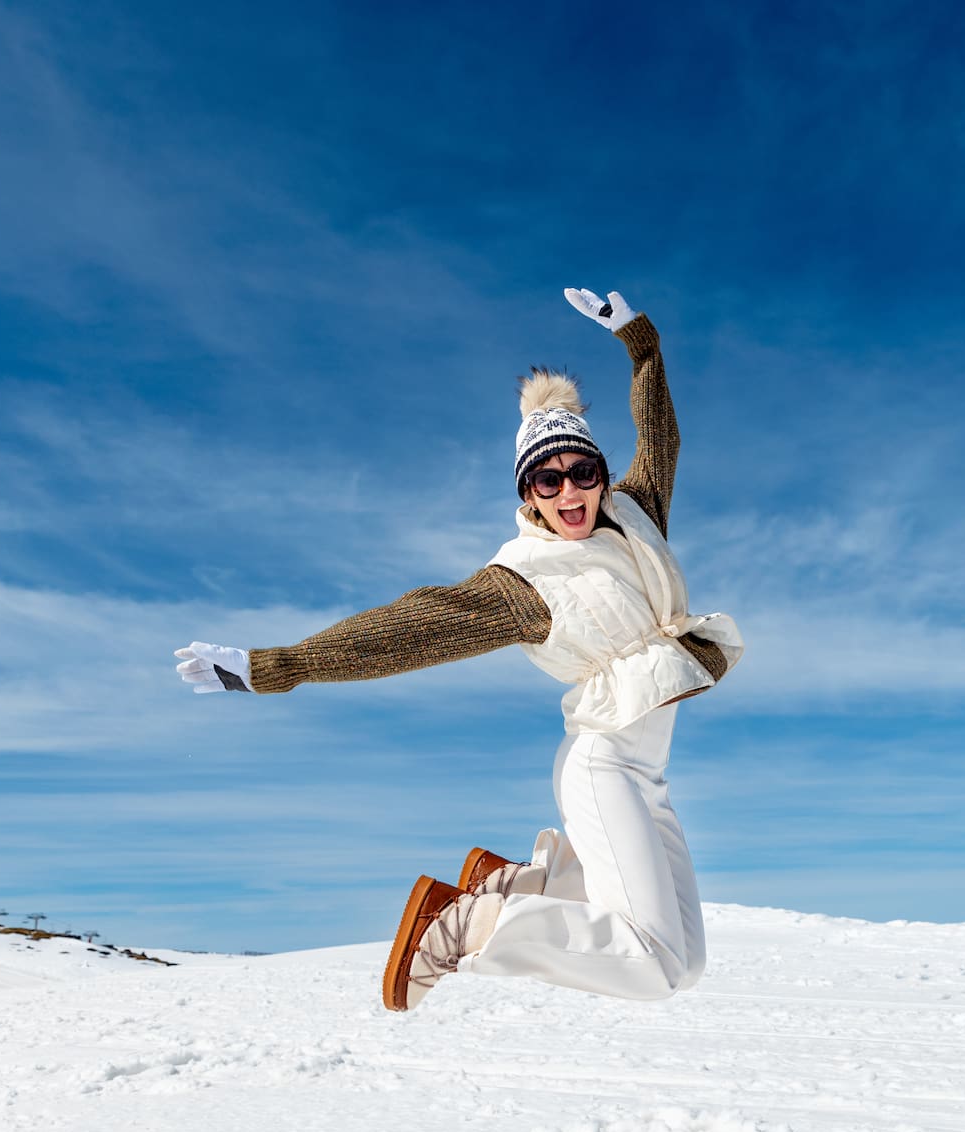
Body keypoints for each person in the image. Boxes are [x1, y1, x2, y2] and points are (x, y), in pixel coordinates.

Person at [173, 288, 742, 1012]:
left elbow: (660, 437)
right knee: (653, 965)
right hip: (603, 764)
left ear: (601, 475)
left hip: (648, 768)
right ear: (529, 493)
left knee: (684, 962)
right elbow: (407, 629)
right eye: (549, 477)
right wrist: (276, 665)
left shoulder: (635, 517)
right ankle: (466, 921)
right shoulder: (522, 581)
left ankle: (526, 886)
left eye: (583, 471)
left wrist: (640, 341)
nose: (570, 490)